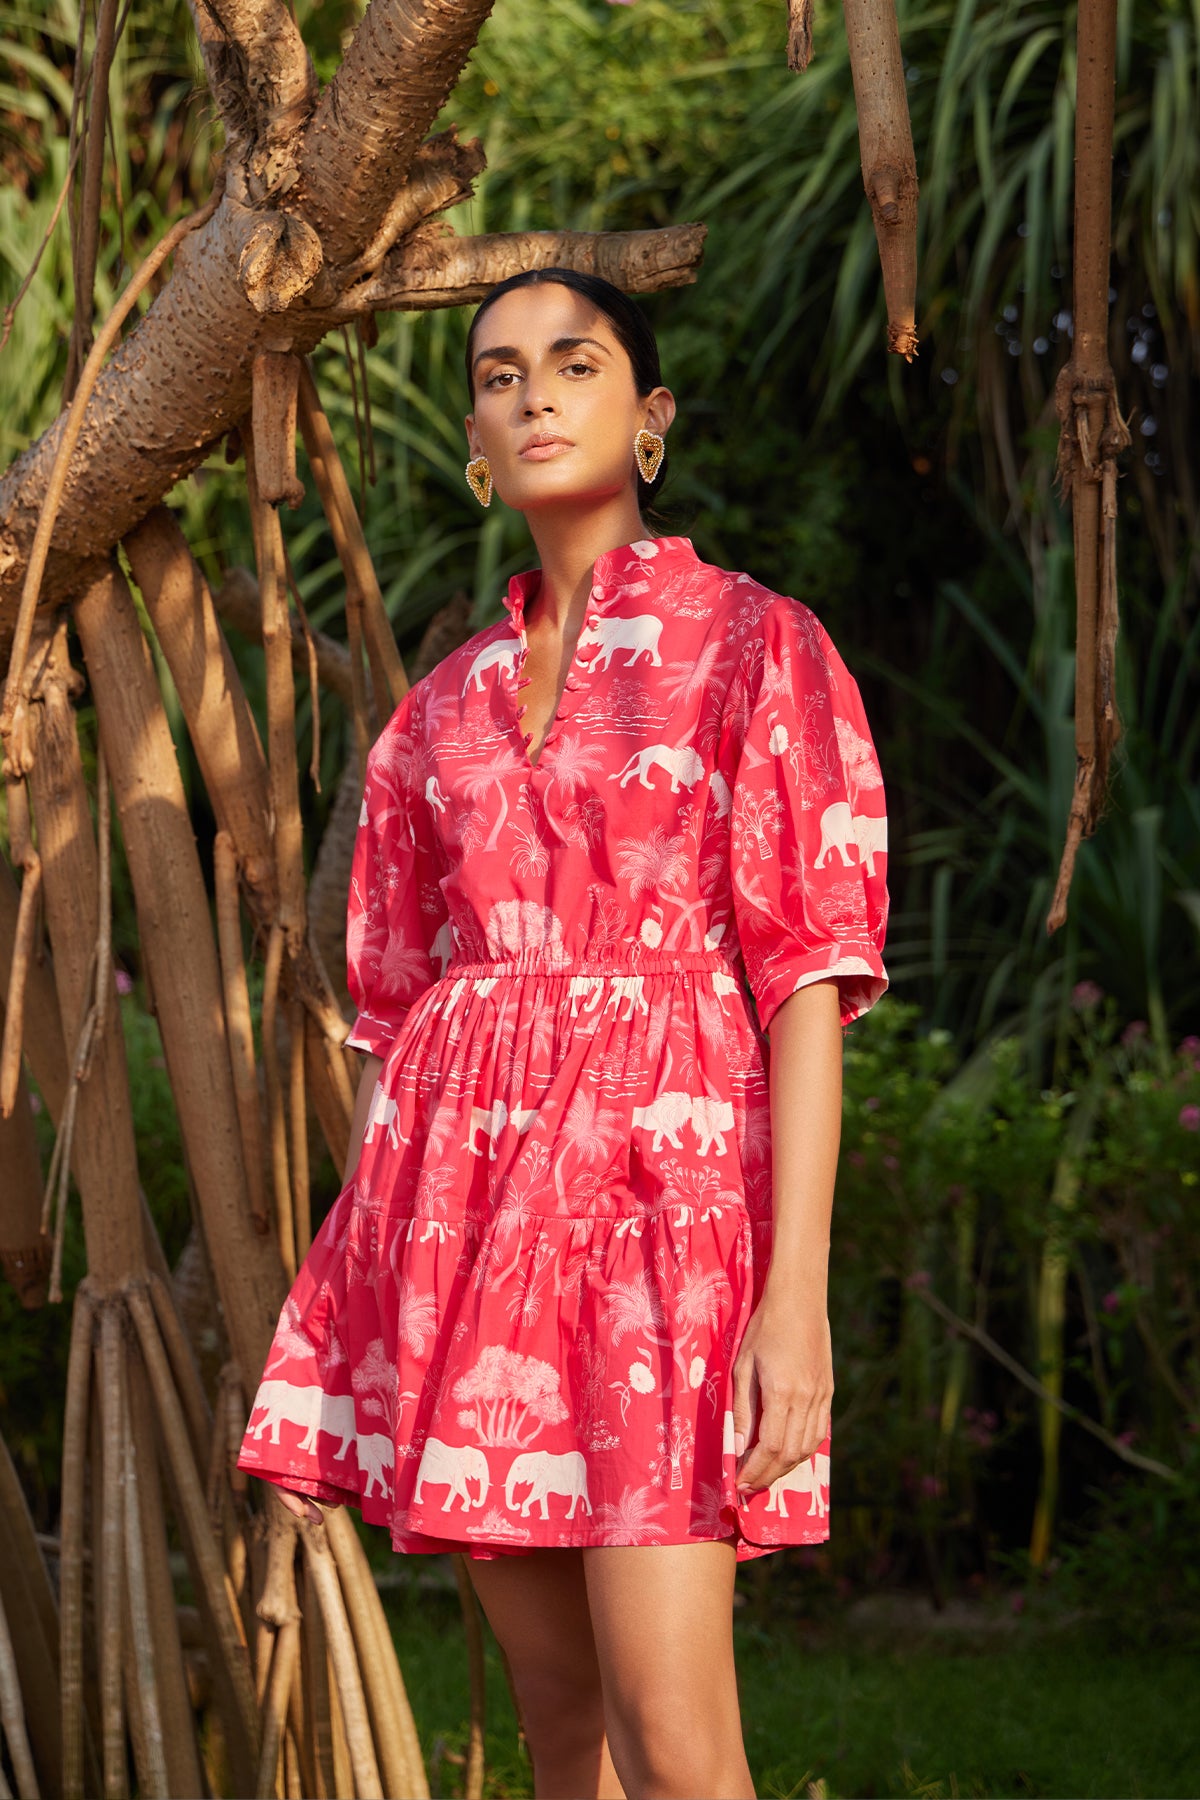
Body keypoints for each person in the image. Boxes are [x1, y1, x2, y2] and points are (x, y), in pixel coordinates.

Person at [237, 267, 890, 1799]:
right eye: (500, 371)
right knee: (561, 1729)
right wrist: (368, 1309)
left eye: (574, 363)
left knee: (678, 1739)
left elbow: (808, 983)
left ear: (647, 416)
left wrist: (794, 1302)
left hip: (669, 1244)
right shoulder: (437, 714)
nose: (534, 393)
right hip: (465, 1253)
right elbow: (399, 1028)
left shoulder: (751, 646)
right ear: (474, 429)